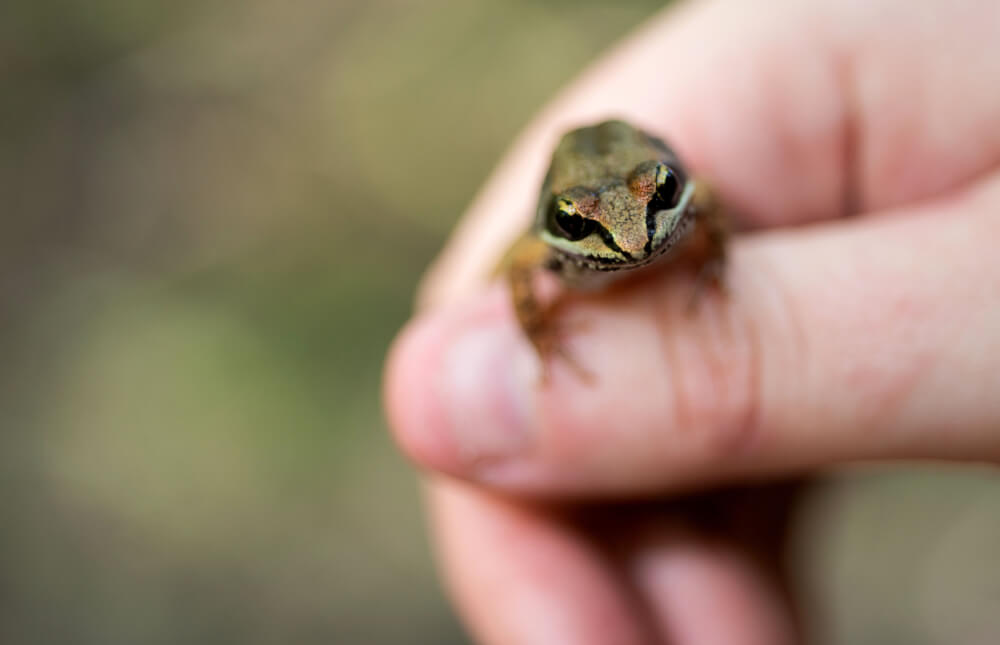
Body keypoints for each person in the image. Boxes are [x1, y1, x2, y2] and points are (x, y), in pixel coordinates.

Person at [384, 0, 1000, 642]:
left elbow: (707, 196)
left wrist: (718, 263)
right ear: (563, 220)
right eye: (578, 221)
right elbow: (515, 267)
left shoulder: (693, 198)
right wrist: (538, 335)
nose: (633, 239)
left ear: (668, 183)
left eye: (660, 194)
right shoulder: (548, 247)